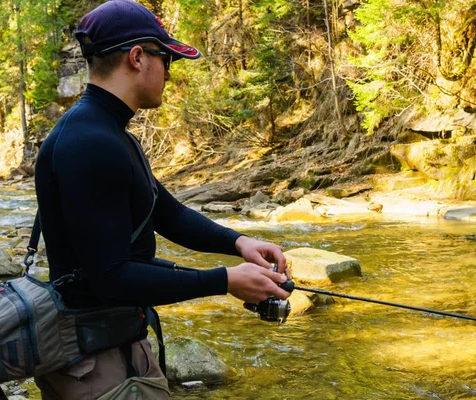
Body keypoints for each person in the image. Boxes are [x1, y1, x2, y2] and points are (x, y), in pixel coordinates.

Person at [33, 0, 291, 398]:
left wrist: (238, 243)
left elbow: (166, 213)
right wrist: (223, 281)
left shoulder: (111, 133)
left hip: (113, 344)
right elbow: (112, 277)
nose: (170, 71)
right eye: (166, 58)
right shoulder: (90, 143)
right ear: (137, 57)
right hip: (91, 363)